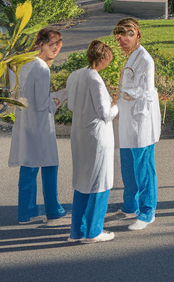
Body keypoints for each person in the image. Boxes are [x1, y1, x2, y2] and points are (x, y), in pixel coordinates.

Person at [9, 27, 67, 224]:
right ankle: (53, 209)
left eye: (59, 44)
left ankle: (26, 212)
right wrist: (58, 99)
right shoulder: (42, 68)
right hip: (41, 125)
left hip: (25, 122)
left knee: (28, 167)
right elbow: (43, 104)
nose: (56, 48)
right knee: (50, 165)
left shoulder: (26, 64)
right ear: (40, 45)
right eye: (51, 44)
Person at [67, 39, 118, 243]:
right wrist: (117, 106)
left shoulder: (75, 75)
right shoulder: (95, 79)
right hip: (96, 138)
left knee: (82, 182)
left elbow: (71, 105)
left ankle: (76, 232)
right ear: (104, 59)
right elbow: (105, 113)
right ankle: (93, 231)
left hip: (78, 133)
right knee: (99, 182)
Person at [113, 18, 161, 231]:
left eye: (128, 35)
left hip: (141, 122)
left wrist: (124, 94)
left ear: (138, 36)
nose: (122, 39)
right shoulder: (131, 57)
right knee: (128, 166)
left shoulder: (145, 59)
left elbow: (147, 92)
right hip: (127, 122)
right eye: (120, 36)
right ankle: (130, 207)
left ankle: (147, 211)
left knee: (144, 168)